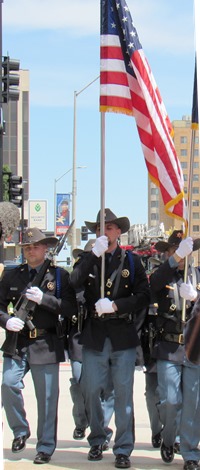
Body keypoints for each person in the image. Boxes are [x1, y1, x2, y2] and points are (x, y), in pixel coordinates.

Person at [70, 208, 150, 469]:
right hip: (95, 334)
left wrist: (117, 306)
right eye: (99, 228)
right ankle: (97, 439)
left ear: (118, 232)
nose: (103, 232)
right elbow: (74, 281)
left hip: (121, 335)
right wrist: (92, 255)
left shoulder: (131, 261)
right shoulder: (88, 258)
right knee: (91, 390)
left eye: (109, 227)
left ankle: (124, 448)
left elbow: (143, 296)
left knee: (123, 395)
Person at [0, 227, 77, 465]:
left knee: (46, 399)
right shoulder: (13, 275)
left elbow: (71, 308)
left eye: (35, 246)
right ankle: (20, 430)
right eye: (27, 247)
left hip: (46, 341)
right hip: (18, 341)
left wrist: (44, 299)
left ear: (46, 248)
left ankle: (45, 447)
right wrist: (6, 320)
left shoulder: (60, 276)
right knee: (8, 384)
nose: (31, 250)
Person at [149, 230, 200, 470]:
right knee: (171, 400)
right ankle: (169, 439)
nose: (180, 256)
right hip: (168, 346)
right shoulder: (163, 275)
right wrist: (174, 261)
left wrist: (197, 297)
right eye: (174, 250)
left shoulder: (198, 276)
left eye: (184, 251)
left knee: (192, 403)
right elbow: (153, 283)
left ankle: (190, 452)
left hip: (193, 347)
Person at [68, 239, 114, 447]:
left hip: (103, 339)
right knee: (81, 384)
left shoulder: (103, 284)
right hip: (79, 341)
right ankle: (81, 421)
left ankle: (101, 429)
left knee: (105, 388)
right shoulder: (75, 283)